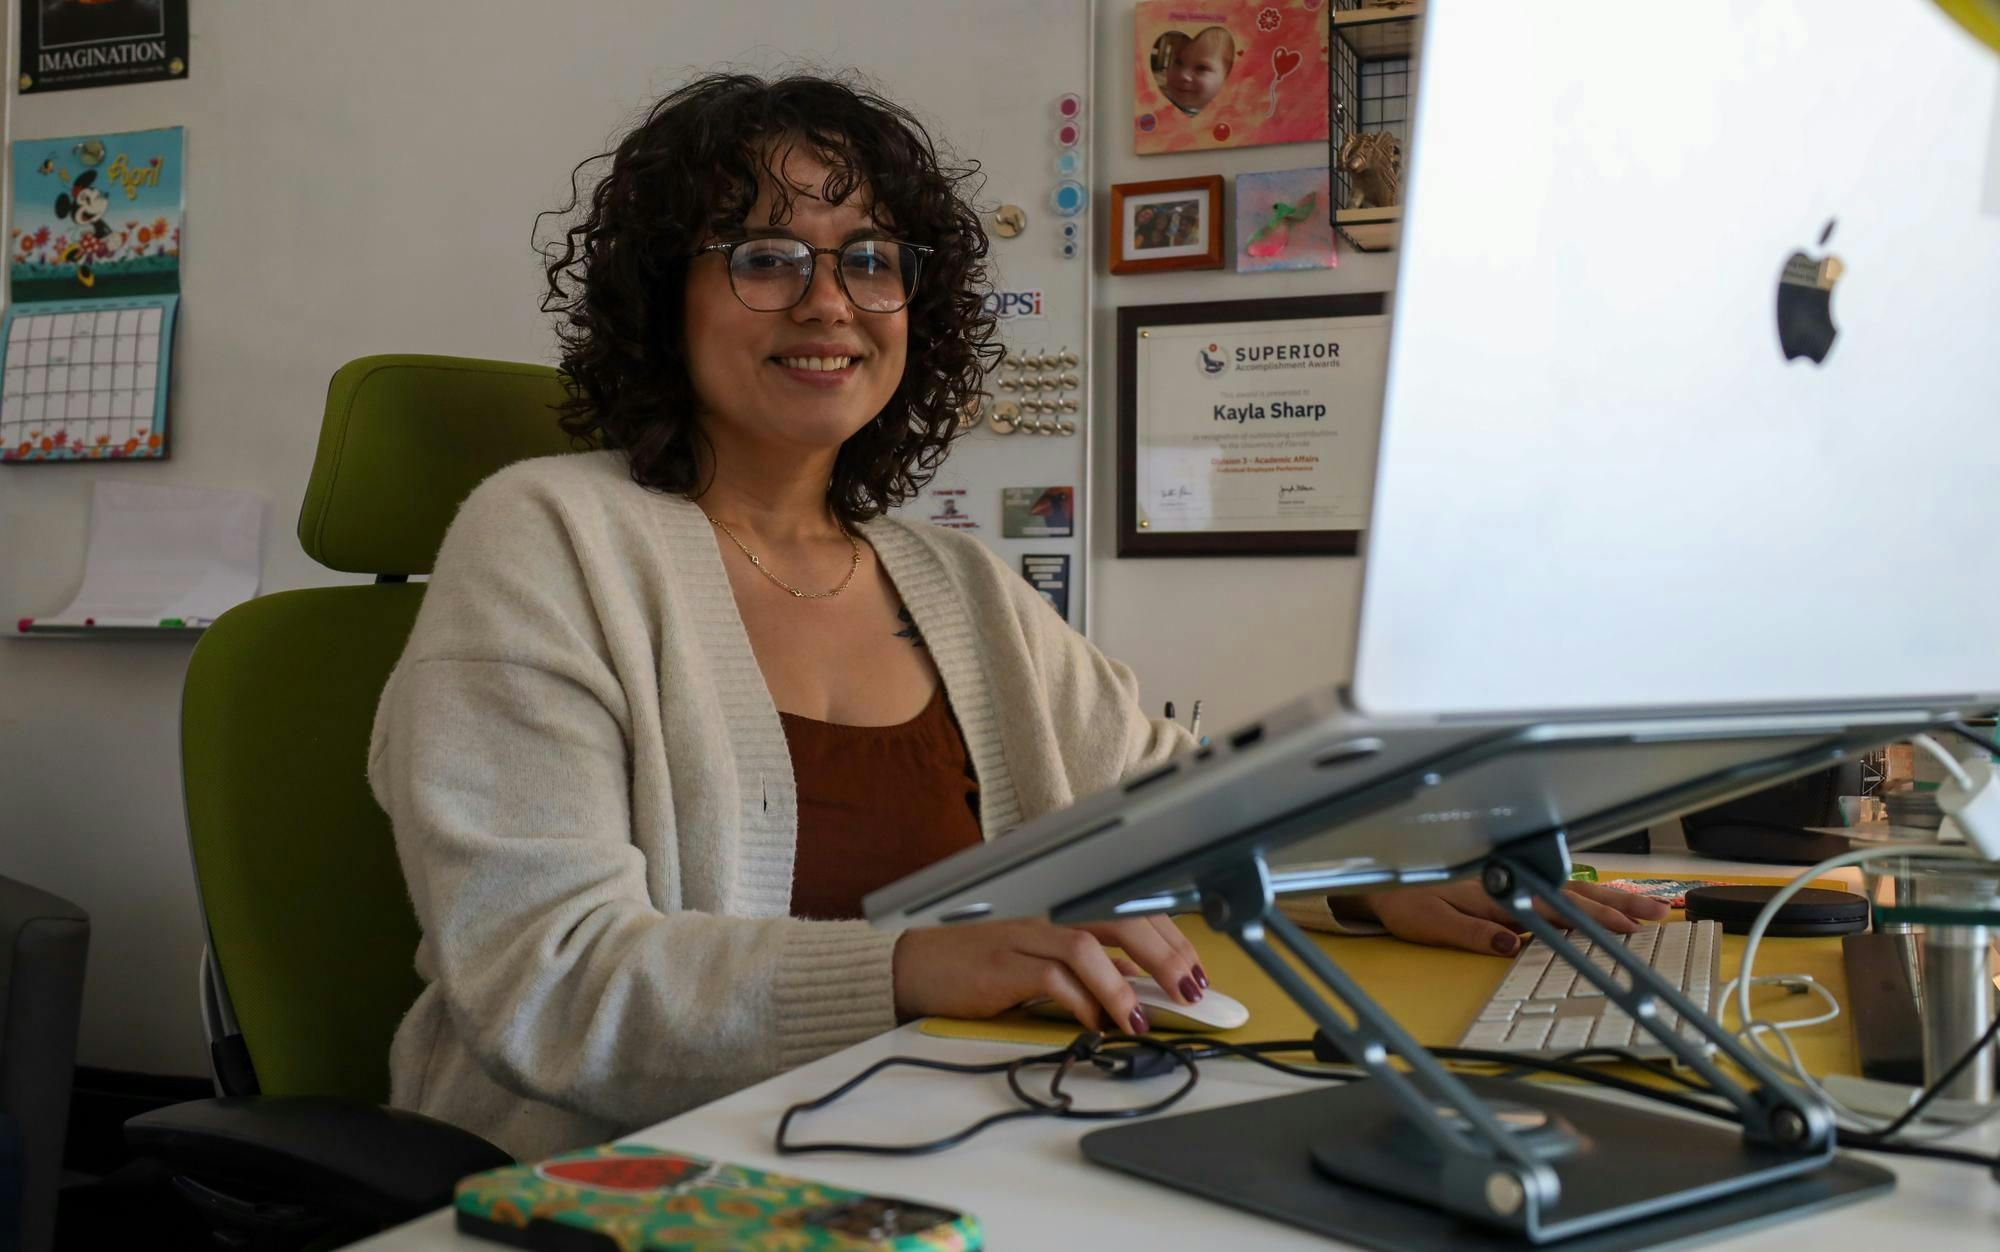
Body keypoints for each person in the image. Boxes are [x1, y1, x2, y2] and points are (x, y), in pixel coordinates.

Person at [368, 71, 1666, 1163]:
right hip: (612, 1188)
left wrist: (1386, 882)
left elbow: (1183, 801)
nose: (829, 300)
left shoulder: (953, 581)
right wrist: (912, 968)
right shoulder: (545, 538)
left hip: (947, 1138)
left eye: (871, 259)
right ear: (666, 297)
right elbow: (547, 978)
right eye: (766, 258)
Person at [1158, 25, 1235, 116]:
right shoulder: (1157, 104)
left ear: (1229, 76)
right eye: (1178, 62)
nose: (1183, 75)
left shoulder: (1227, 116)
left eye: (1201, 68)